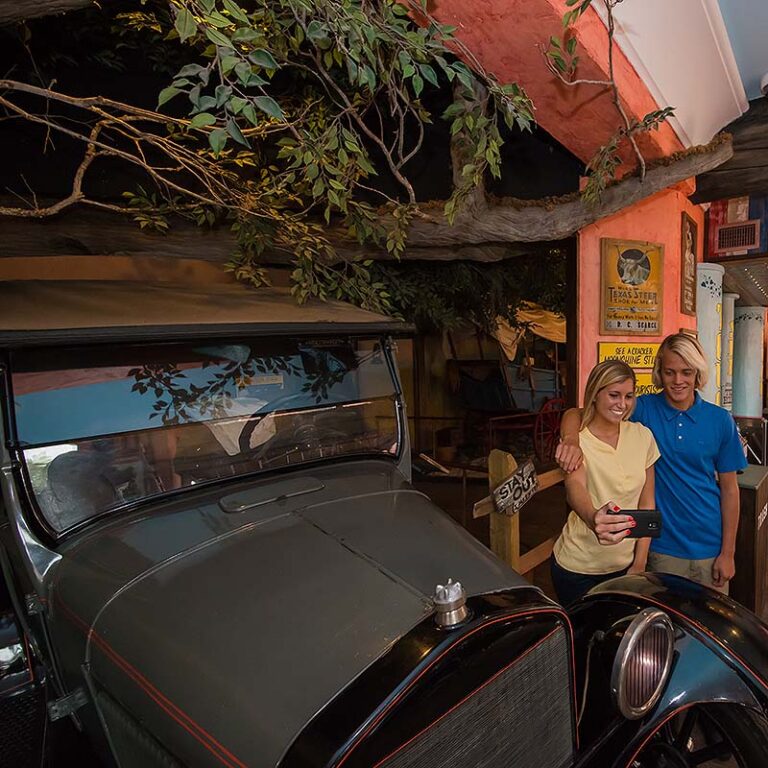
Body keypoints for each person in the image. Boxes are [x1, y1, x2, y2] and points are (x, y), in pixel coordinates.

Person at [556, 333, 746, 593]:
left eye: (686, 372)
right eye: (669, 372)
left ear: (697, 373)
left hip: (709, 547)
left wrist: (729, 552)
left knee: (705, 629)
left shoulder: (720, 420)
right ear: (659, 372)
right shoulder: (642, 408)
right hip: (660, 547)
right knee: (659, 627)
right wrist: (571, 440)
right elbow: (580, 412)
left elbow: (730, 490)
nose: (678, 381)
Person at [551, 360, 659, 605]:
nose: (622, 404)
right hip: (578, 567)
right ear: (595, 394)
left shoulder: (643, 436)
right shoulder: (579, 439)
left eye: (629, 396)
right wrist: (592, 517)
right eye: (614, 395)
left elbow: (647, 501)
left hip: (626, 565)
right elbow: (574, 487)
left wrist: (639, 562)